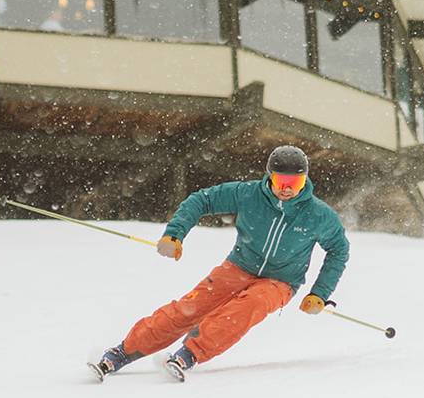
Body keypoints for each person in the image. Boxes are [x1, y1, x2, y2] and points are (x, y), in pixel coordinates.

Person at [91, 145, 350, 382]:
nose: (287, 188)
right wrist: (175, 234)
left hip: (280, 281)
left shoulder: (318, 215)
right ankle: (121, 353)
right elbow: (201, 200)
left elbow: (338, 249)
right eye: (282, 180)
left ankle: (189, 353)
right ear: (270, 177)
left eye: (296, 181)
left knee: (250, 305)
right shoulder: (248, 194)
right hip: (238, 267)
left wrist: (319, 293)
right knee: (189, 309)